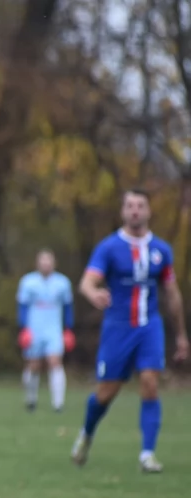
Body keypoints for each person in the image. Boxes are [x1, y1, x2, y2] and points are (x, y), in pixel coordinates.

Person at [71, 189, 189, 473]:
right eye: (130, 206)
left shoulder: (162, 250)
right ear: (123, 211)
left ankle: (147, 454)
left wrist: (182, 335)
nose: (135, 211)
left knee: (150, 382)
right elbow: (87, 282)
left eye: (140, 206)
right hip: (118, 328)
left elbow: (172, 294)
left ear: (148, 211)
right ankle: (86, 433)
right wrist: (94, 294)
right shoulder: (109, 247)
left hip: (150, 327)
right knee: (106, 392)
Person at [16, 249, 75, 412]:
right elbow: (22, 307)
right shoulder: (28, 282)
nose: (45, 264)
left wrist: (68, 329)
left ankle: (58, 404)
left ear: (54, 263)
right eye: (42, 261)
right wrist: (23, 329)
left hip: (53, 329)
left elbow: (68, 307)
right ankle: (31, 400)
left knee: (55, 362)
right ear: (37, 263)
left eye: (48, 261)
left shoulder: (63, 283)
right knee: (33, 365)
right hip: (34, 328)